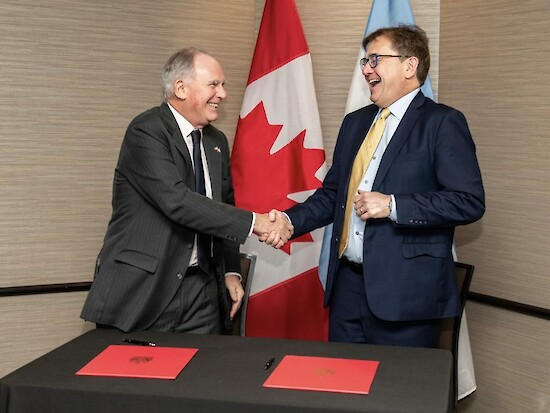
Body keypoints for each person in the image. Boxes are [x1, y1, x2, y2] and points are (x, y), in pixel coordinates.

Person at [275, 25, 485, 347]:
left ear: (409, 66)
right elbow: (333, 195)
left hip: (406, 296)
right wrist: (290, 221)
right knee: (342, 378)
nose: (366, 69)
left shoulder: (441, 122)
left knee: (398, 381)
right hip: (347, 288)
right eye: (365, 61)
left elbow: (468, 201)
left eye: (375, 59)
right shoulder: (355, 123)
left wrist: (394, 205)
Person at [81, 47, 292, 334]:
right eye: (213, 85)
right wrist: (257, 223)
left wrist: (231, 270)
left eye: (223, 85)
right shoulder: (146, 131)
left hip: (202, 290)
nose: (222, 94)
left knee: (204, 364)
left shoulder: (216, 141)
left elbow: (224, 206)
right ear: (181, 88)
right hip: (146, 289)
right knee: (139, 365)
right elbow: (177, 201)